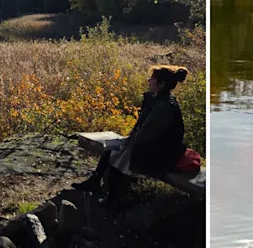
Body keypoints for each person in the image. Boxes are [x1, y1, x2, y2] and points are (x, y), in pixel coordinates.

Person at [72, 65, 189, 203]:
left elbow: (146, 134)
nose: (148, 81)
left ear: (161, 84)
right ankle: (99, 184)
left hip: (163, 154)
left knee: (119, 153)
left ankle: (113, 199)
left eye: (152, 79)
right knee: (114, 150)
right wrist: (127, 140)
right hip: (158, 147)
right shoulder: (158, 99)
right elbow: (143, 129)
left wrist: (126, 142)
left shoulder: (164, 107)